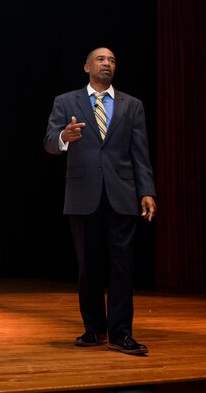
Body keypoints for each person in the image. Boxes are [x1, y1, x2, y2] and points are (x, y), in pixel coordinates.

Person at [43, 47, 157, 356]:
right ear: (86, 66)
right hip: (83, 195)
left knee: (122, 265)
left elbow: (140, 153)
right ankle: (94, 329)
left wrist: (147, 191)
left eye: (112, 60)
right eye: (100, 59)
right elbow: (49, 143)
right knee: (88, 266)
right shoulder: (66, 102)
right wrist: (64, 136)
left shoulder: (132, 106)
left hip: (122, 194)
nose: (107, 63)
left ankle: (122, 334)